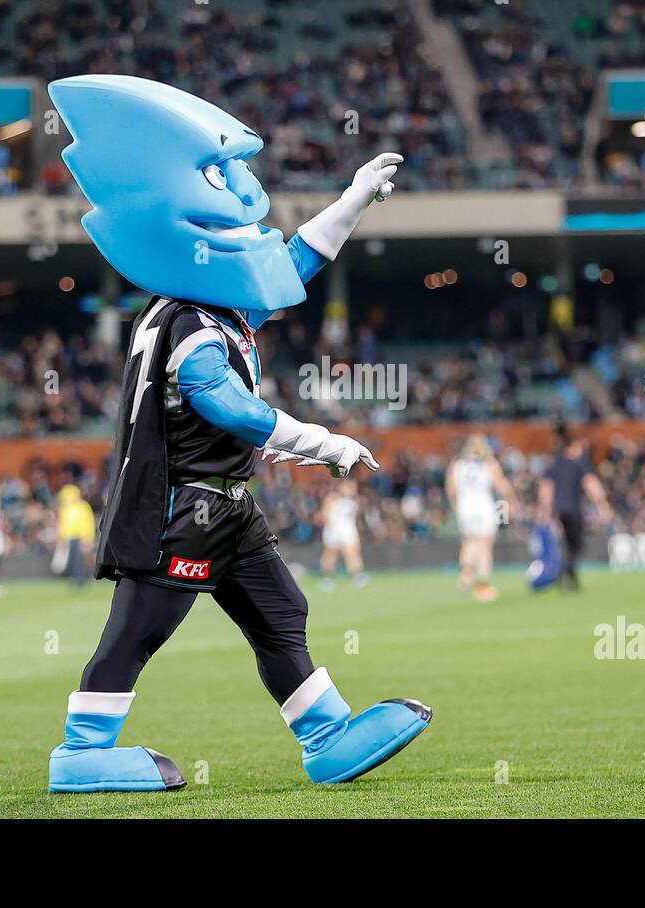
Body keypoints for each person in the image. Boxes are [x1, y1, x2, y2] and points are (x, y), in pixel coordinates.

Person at [44, 74, 430, 792]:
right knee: (139, 629)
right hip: (183, 506)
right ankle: (81, 751)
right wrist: (324, 441)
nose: (256, 249)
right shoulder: (190, 322)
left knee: (282, 612)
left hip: (226, 503)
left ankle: (326, 735)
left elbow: (290, 266)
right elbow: (224, 406)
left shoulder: (204, 308)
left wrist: (350, 200)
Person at [538, 427, 612, 592]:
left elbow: (546, 488)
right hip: (573, 510)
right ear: (572, 448)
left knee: (567, 544)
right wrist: (603, 505)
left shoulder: (555, 464)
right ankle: (564, 571)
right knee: (577, 545)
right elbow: (591, 484)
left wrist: (545, 510)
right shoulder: (579, 465)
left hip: (559, 511)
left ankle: (572, 580)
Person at [447, 434, 516, 602]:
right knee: (485, 545)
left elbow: (450, 488)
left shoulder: (458, 465)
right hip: (483, 506)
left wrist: (456, 507)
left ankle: (466, 571)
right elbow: (501, 485)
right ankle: (482, 586)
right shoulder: (489, 464)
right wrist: (512, 502)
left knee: (469, 541)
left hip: (465, 507)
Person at [319, 479, 367, 592]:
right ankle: (327, 578)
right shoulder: (332, 498)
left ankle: (357, 575)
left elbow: (354, 516)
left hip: (347, 529)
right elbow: (325, 514)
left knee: (352, 552)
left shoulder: (354, 499)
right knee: (330, 555)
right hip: (334, 529)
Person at [56, 484, 95, 589]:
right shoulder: (65, 508)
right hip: (69, 538)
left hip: (80, 537)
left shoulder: (82, 506)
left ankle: (80, 580)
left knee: (79, 560)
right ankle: (74, 579)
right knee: (72, 560)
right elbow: (63, 524)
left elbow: (88, 523)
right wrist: (61, 538)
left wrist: (88, 538)